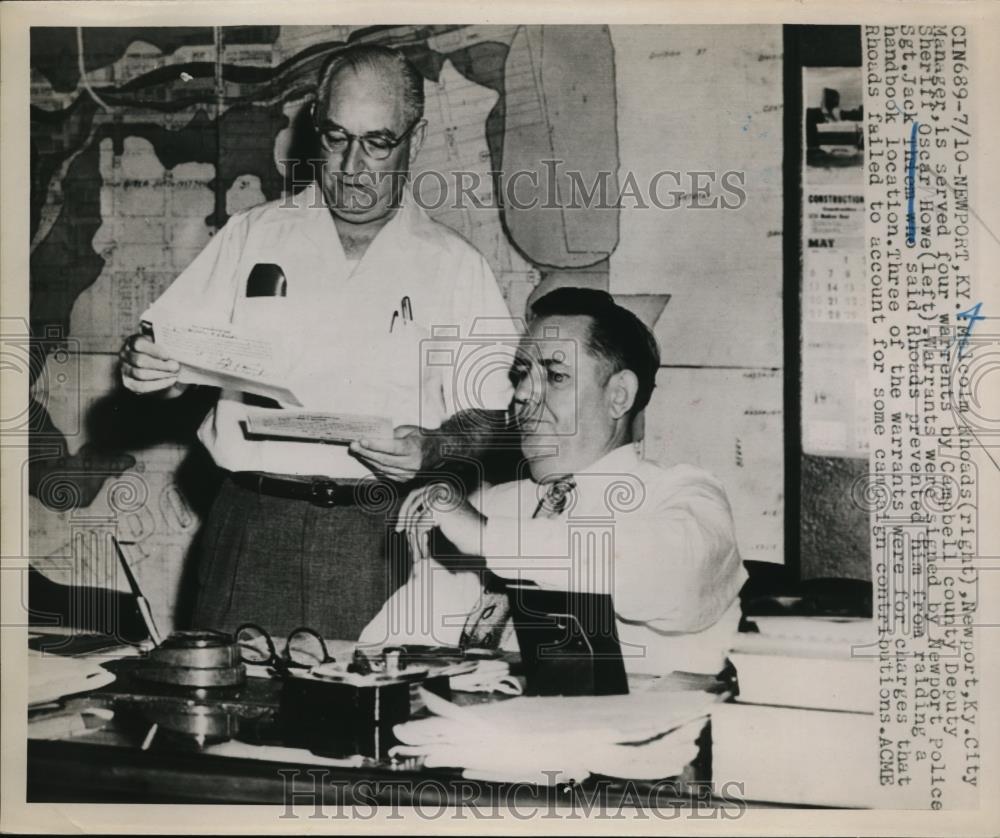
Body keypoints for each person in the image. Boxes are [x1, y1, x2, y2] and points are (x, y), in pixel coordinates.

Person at [118, 44, 516, 639]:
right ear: (315, 128)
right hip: (251, 525)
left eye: (378, 142)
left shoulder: (454, 266)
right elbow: (166, 353)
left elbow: (497, 413)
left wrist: (434, 446)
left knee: (365, 724)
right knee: (223, 716)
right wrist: (149, 369)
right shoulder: (253, 235)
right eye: (336, 138)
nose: (354, 165)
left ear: (417, 136)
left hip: (380, 537)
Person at [360, 287, 748, 678]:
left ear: (619, 396)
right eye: (522, 375)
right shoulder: (495, 505)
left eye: (556, 376)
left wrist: (486, 536)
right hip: (476, 731)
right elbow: (391, 645)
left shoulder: (687, 497)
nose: (523, 394)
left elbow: (665, 575)